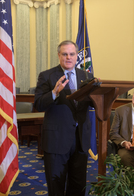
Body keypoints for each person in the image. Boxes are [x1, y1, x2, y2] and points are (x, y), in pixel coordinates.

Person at [34, 40, 93, 196]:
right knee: (56, 184)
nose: (68, 57)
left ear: (77, 56)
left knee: (78, 185)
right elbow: (38, 104)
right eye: (65, 54)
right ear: (59, 55)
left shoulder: (87, 76)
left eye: (72, 54)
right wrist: (54, 93)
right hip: (56, 139)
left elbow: (92, 103)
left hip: (80, 139)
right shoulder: (46, 76)